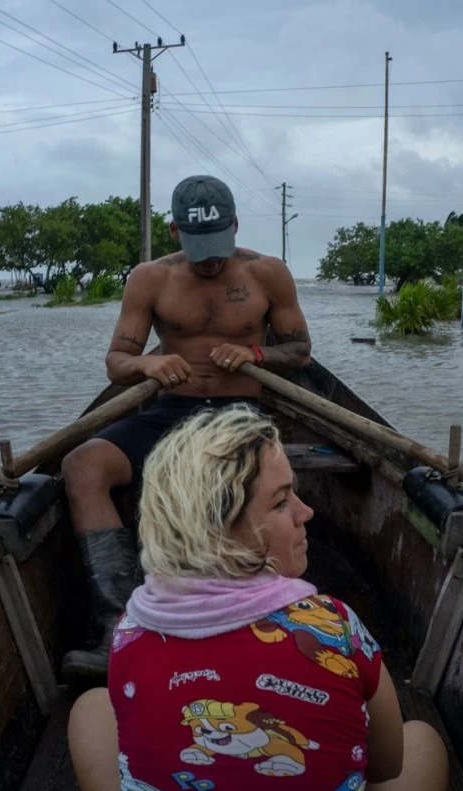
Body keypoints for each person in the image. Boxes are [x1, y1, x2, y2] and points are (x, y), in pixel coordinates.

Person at [69, 407, 449, 791]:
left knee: (91, 709)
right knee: (421, 741)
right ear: (223, 528)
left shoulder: (130, 629)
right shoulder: (334, 626)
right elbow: (386, 764)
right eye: (281, 501)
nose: (306, 511)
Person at [59, 175, 313, 680]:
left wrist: (255, 353)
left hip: (241, 414)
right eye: (198, 249)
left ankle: (266, 614)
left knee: (235, 484)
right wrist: (148, 366)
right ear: (174, 232)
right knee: (81, 465)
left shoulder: (268, 273)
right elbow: (116, 361)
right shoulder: (150, 279)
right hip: (170, 413)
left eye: (218, 247)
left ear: (235, 226)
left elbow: (301, 351)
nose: (210, 261)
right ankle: (118, 621)